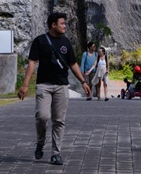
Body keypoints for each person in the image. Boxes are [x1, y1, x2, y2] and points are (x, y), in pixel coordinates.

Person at [17, 12, 90, 166]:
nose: (65, 26)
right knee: (42, 116)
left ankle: (56, 153)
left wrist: (83, 81)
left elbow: (73, 64)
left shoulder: (66, 42)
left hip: (62, 86)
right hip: (44, 85)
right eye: (62, 23)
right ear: (53, 25)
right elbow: (32, 63)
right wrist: (25, 84)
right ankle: (40, 141)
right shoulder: (40, 41)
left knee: (59, 120)